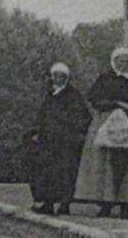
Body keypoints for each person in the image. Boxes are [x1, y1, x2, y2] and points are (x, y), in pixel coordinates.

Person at [74, 47, 128, 219]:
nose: (124, 65)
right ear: (114, 61)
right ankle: (104, 204)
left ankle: (125, 204)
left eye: (127, 62)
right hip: (104, 123)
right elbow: (94, 99)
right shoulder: (104, 79)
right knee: (103, 164)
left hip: (126, 127)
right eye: (121, 61)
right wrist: (115, 103)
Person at [28, 62, 92, 216]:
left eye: (61, 76)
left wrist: (73, 133)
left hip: (65, 142)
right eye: (55, 76)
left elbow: (82, 118)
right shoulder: (50, 95)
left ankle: (65, 204)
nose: (58, 79)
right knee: (47, 173)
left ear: (66, 78)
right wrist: (36, 132)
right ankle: (48, 204)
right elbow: (41, 117)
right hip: (48, 141)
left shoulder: (73, 96)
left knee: (65, 173)